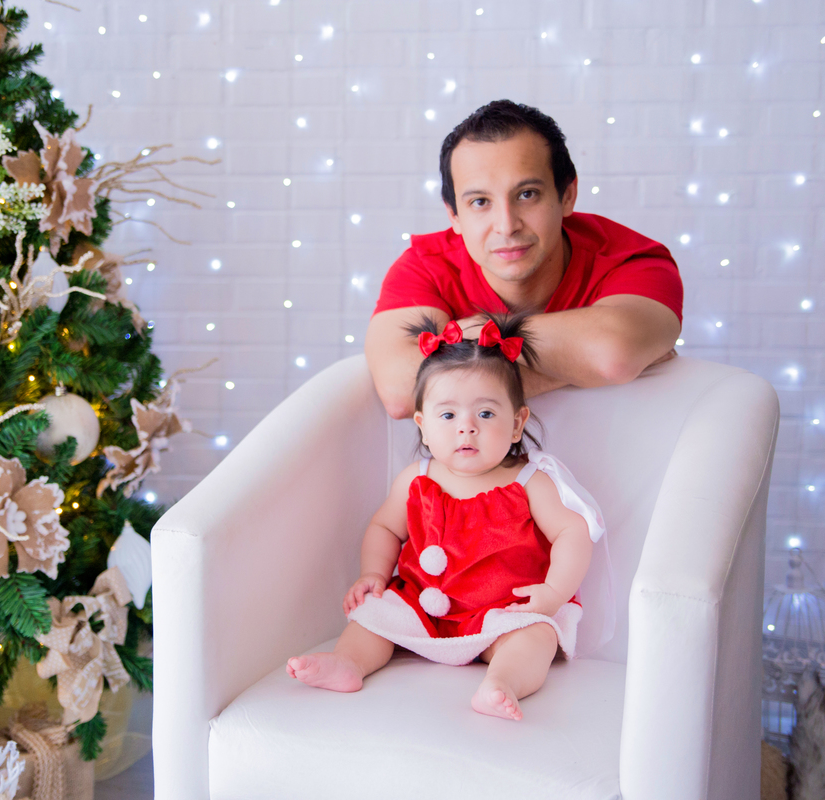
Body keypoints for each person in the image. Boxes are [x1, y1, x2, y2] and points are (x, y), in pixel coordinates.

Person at [287, 315, 611, 721]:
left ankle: (503, 683)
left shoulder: (530, 481)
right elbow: (385, 527)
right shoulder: (416, 479)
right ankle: (348, 663)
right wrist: (373, 573)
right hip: (422, 605)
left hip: (502, 611)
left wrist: (552, 592)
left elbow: (572, 532)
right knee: (372, 616)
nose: (467, 429)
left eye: (486, 415)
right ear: (422, 426)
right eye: (448, 416)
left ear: (517, 424)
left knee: (536, 637)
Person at [367, 99, 683, 419]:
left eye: (527, 194)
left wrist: (470, 337)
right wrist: (587, 366)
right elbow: (400, 392)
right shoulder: (425, 267)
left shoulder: (633, 260)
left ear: (567, 195)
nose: (507, 225)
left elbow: (612, 354)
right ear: (454, 215)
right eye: (480, 201)